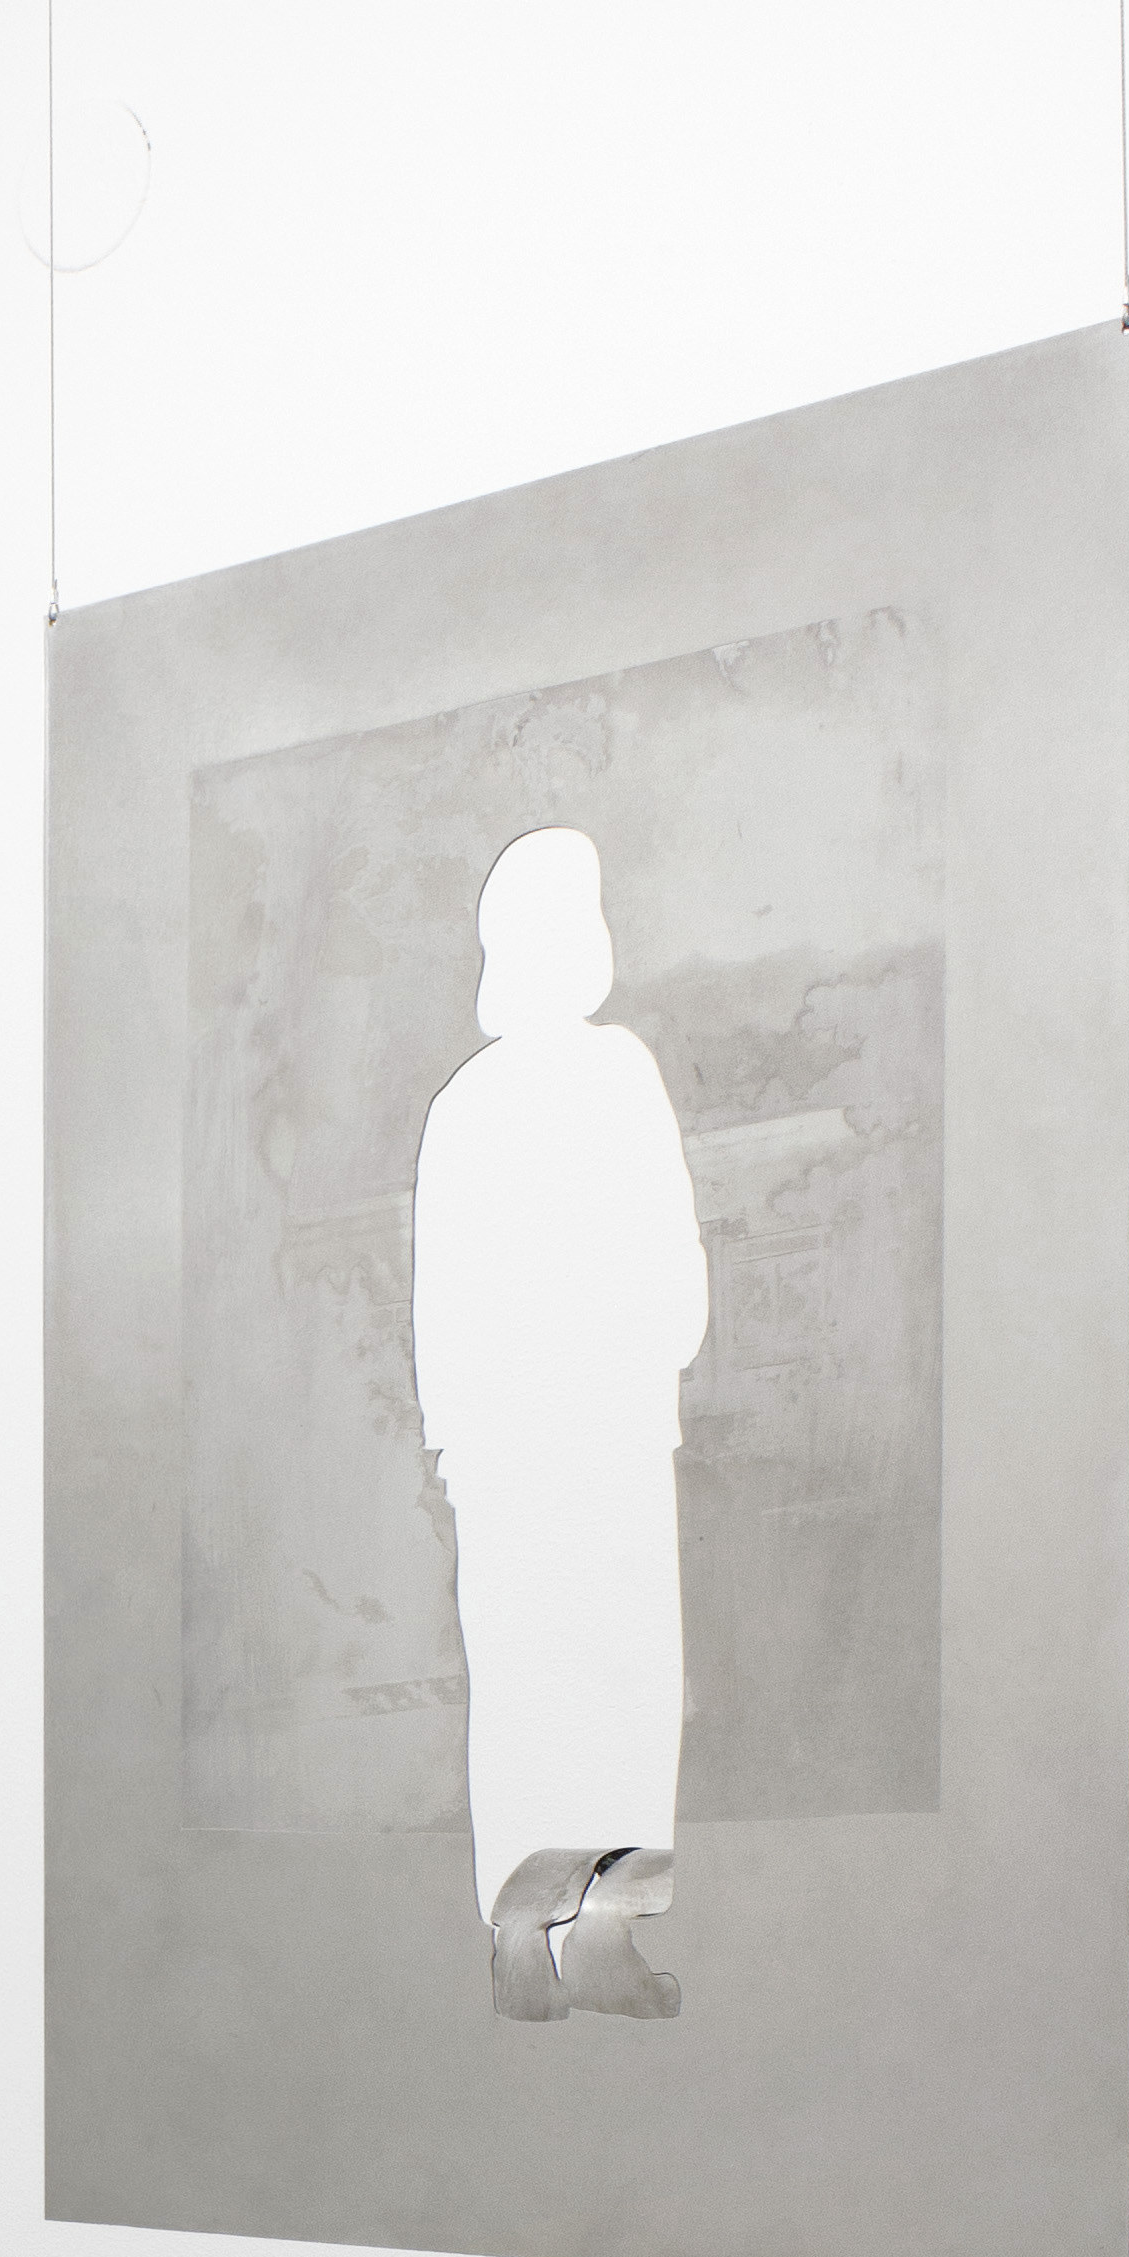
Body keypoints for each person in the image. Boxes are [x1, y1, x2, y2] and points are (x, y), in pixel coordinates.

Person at [409, 826, 709, 2020]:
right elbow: (452, 1293)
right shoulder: (531, 1091)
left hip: (582, 1436)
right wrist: (465, 1436)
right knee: (574, 1674)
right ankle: (544, 1936)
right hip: (554, 1439)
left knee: (580, 1675)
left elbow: (665, 1254)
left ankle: (580, 1940)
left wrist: (464, 1441)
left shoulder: (529, 1091)